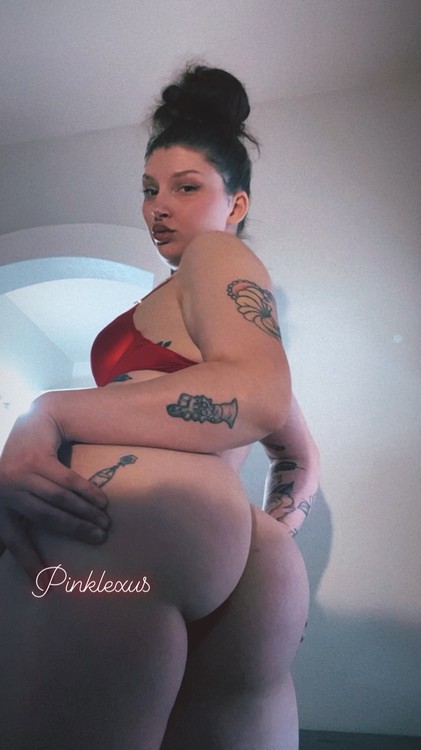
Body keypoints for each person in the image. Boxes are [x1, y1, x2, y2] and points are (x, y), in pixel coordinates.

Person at [0, 65, 319, 750]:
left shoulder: (215, 255)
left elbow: (258, 395)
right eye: (149, 190)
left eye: (186, 187)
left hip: (130, 533)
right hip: (237, 552)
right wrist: (260, 539)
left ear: (235, 203)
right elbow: (295, 449)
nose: (158, 208)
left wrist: (49, 412)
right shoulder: (195, 304)